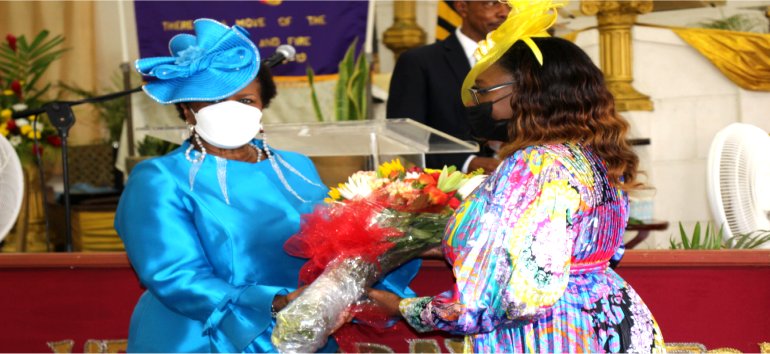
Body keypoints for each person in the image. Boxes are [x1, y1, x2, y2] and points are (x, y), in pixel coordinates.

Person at [367, 3, 666, 352]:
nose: (480, 104)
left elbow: (504, 300)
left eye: (485, 91)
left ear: (525, 91)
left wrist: (403, 307)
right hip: (610, 322)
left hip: (553, 335)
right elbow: (590, 250)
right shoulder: (593, 155)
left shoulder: (532, 166)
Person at [115, 19, 417, 353]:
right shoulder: (160, 177)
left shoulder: (296, 165)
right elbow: (175, 276)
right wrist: (277, 301)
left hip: (303, 332)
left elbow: (333, 243)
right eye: (215, 101)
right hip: (205, 337)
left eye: (246, 101)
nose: (232, 111)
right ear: (187, 110)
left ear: (263, 105)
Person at [386, 1, 509, 174]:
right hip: (449, 185)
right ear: (462, 7)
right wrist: (467, 162)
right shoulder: (419, 62)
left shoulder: (521, 59)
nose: (504, 12)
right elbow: (404, 134)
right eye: (492, 3)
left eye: (508, 4)